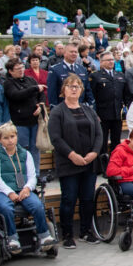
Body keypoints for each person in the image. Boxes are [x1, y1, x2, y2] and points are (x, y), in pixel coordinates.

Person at [47, 73, 102, 248]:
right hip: (69, 162)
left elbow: (99, 134)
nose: (74, 89)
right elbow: (56, 138)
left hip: (89, 162)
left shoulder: (88, 110)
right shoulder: (58, 111)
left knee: (87, 198)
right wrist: (72, 155)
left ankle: (86, 231)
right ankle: (68, 234)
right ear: (63, 90)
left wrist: (94, 152)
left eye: (77, 86)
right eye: (70, 86)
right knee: (69, 199)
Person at [0, 121, 57, 251]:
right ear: (0, 139)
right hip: (2, 192)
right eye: (6, 138)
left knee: (37, 205)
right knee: (6, 208)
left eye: (12, 137)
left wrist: (27, 188)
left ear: (17, 136)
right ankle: (13, 239)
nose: (10, 141)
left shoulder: (25, 154)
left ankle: (44, 236)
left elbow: (32, 176)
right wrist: (9, 192)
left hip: (23, 190)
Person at [2, 57, 44, 171]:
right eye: (17, 69)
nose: (21, 70)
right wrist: (34, 88)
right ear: (10, 71)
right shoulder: (8, 83)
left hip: (34, 121)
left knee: (35, 149)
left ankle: (36, 175)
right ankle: (23, 174)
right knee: (22, 149)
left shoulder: (30, 80)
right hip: (20, 122)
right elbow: (16, 95)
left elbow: (41, 95)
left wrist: (40, 106)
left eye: (22, 68)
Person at [91, 51, 126, 156]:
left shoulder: (120, 75)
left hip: (117, 114)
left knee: (116, 142)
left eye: (112, 59)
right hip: (102, 115)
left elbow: (124, 94)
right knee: (102, 142)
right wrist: (94, 113)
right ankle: (102, 167)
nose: (111, 62)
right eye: (108, 60)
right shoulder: (95, 76)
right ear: (101, 62)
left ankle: (115, 164)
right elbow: (92, 96)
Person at [47, 42, 94, 106]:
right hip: (63, 109)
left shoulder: (82, 69)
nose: (74, 54)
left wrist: (90, 106)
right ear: (64, 53)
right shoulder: (55, 70)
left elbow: (88, 91)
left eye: (75, 52)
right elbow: (52, 94)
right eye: (71, 52)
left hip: (81, 108)